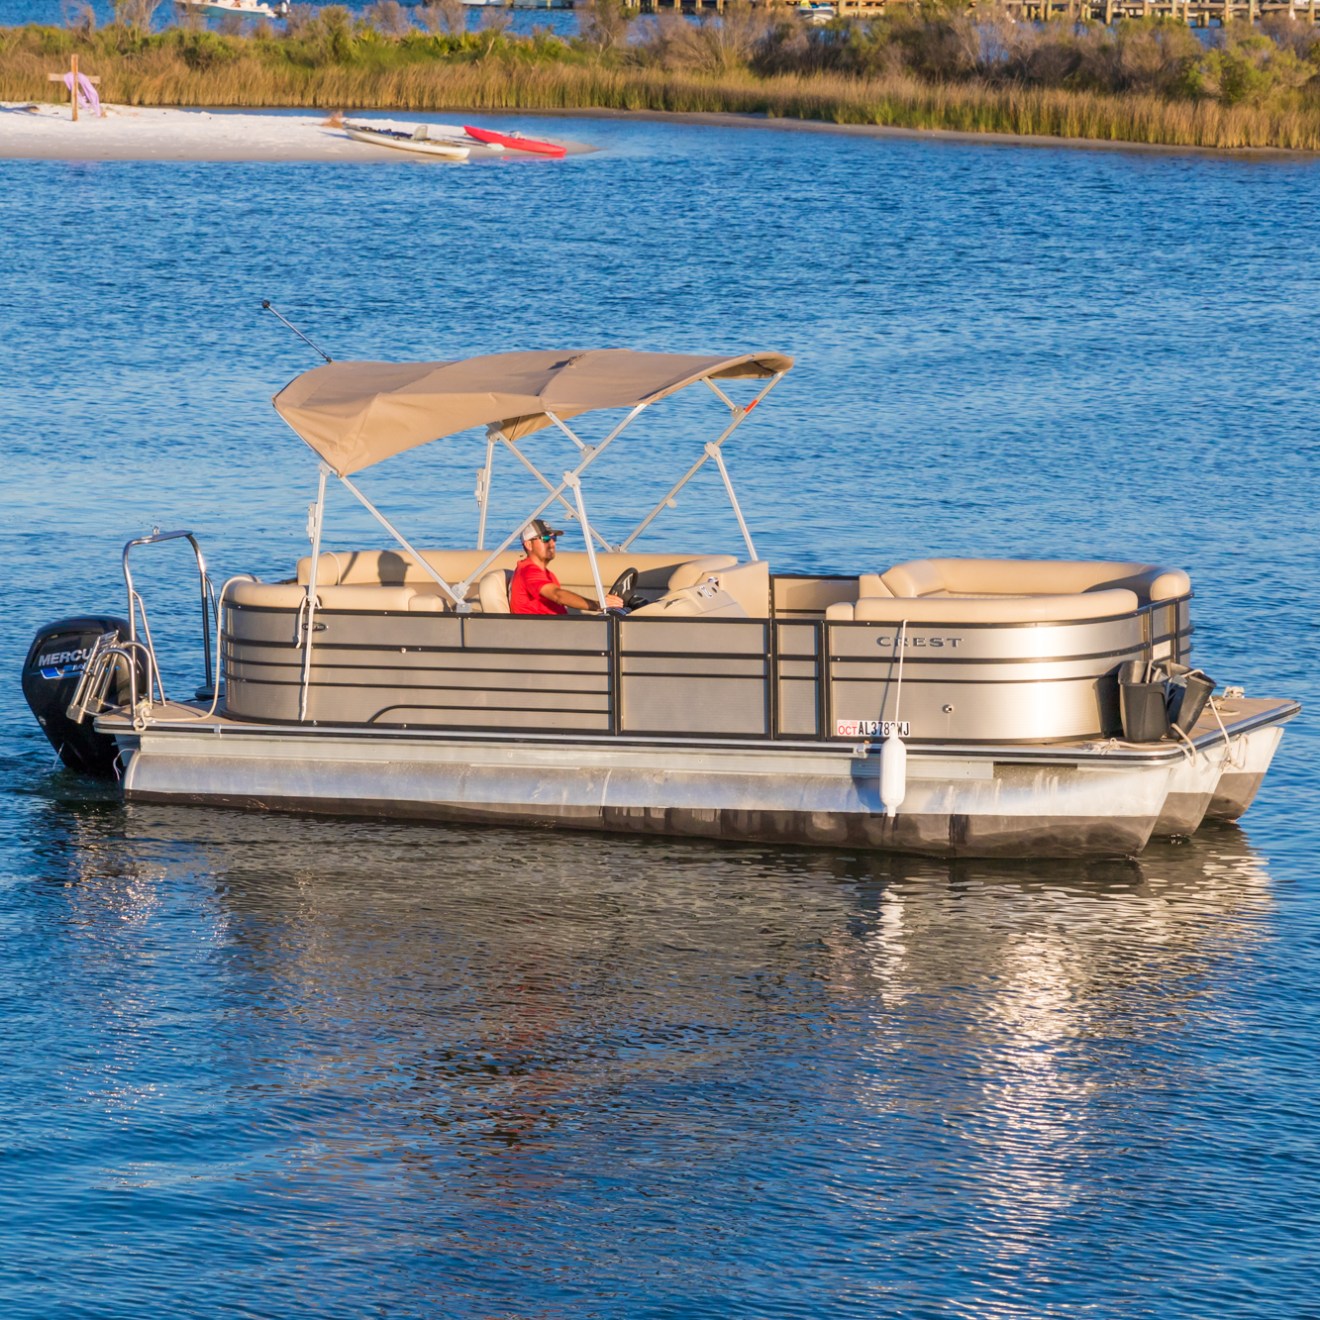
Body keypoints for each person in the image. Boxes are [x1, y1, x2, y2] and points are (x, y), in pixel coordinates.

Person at [509, 519, 624, 615]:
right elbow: (557, 595)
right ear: (529, 544)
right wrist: (598, 605)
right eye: (546, 539)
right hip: (541, 632)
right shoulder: (528, 571)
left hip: (557, 628)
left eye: (554, 538)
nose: (552, 543)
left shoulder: (546, 573)